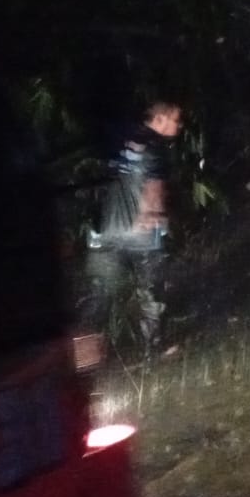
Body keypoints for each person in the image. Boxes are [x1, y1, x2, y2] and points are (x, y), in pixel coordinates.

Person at [81, 101, 181, 354]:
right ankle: (154, 348)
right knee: (151, 291)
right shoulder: (155, 145)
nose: (179, 126)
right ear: (159, 119)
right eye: (175, 120)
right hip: (143, 230)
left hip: (105, 231)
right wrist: (156, 216)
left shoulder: (118, 140)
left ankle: (84, 355)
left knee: (98, 296)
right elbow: (154, 184)